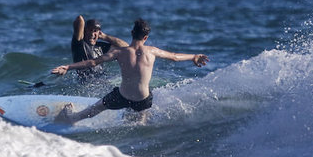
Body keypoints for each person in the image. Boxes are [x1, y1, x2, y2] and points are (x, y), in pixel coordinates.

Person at [51, 19, 208, 124]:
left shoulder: (120, 52)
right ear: (146, 37)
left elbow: (92, 62)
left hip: (122, 96)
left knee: (94, 109)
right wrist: (193, 56)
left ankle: (71, 118)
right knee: (141, 123)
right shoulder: (152, 51)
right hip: (143, 99)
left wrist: (68, 67)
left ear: (132, 33)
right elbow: (174, 57)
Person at [69, 15, 127, 80]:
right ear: (84, 31)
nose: (92, 34)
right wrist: (83, 31)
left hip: (103, 81)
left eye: (95, 31)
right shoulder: (79, 44)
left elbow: (126, 47)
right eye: (90, 30)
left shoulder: (101, 46)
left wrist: (105, 37)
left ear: (99, 33)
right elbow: (80, 19)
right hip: (87, 84)